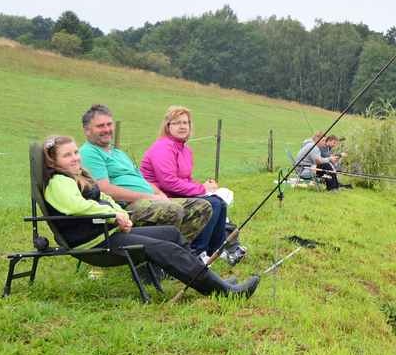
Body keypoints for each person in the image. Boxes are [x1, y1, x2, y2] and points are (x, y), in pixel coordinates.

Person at [41, 135, 258, 297]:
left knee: (172, 234)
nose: (75, 158)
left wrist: (121, 214)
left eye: (75, 152)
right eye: (67, 155)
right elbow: (78, 207)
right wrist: (113, 216)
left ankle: (215, 282)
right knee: (166, 248)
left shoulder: (77, 177)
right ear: (53, 160)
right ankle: (223, 292)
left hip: (110, 233)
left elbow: (104, 197)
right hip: (94, 243)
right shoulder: (58, 182)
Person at [78, 104, 214, 249]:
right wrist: (148, 197)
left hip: (149, 199)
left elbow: (141, 180)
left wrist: (160, 194)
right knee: (171, 210)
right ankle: (162, 254)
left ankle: (178, 252)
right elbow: (105, 189)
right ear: (87, 130)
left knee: (202, 207)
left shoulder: (117, 153)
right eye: (100, 126)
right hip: (125, 206)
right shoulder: (89, 152)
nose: (106, 129)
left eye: (109, 124)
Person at [139, 106, 230, 260]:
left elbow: (185, 179)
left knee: (219, 202)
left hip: (175, 193)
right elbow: (168, 182)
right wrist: (202, 189)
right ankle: (196, 252)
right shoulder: (162, 147)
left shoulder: (185, 150)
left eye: (185, 122)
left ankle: (215, 250)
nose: (182, 126)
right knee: (212, 203)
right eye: (176, 123)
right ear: (168, 126)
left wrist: (206, 187)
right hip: (159, 196)